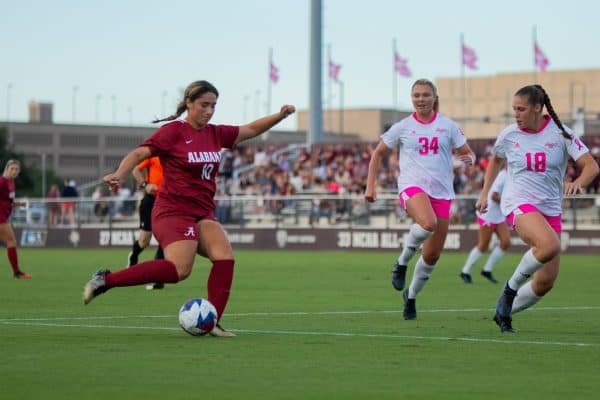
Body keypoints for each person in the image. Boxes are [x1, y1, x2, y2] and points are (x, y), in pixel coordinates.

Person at [82, 80, 295, 337]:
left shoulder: (215, 133)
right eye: (204, 105)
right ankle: (106, 280)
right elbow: (139, 154)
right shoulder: (173, 132)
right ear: (189, 103)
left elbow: (250, 129)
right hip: (172, 210)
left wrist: (280, 116)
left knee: (224, 257)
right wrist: (119, 173)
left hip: (203, 212)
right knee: (179, 271)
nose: (209, 111)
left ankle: (212, 321)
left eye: (214, 106)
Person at [477, 84, 599, 333]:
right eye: (514, 109)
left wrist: (578, 183)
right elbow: (496, 160)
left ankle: (504, 312)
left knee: (544, 282)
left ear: (537, 108)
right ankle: (509, 291)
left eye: (521, 109)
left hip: (551, 209)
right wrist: (484, 193)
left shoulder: (561, 133)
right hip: (518, 203)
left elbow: (591, 167)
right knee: (550, 245)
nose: (516, 114)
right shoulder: (509, 135)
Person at [365, 79, 476, 320]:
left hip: (442, 193)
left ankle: (411, 296)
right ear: (411, 98)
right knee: (428, 223)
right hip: (412, 186)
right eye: (416, 95)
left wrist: (470, 159)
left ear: (434, 97)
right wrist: (370, 186)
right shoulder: (402, 127)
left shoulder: (448, 126)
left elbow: (468, 152)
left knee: (432, 255)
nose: (421, 99)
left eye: (426, 95)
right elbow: (378, 153)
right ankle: (402, 261)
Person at [459, 168, 509, 284]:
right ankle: (465, 271)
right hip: (488, 213)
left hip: (498, 215)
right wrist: (508, 201)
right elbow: (494, 196)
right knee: (483, 245)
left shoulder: (511, 175)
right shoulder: (503, 176)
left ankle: (487, 270)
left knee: (505, 242)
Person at [128, 156, 165, 290]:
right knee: (144, 241)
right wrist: (145, 185)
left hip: (168, 201)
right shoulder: (154, 155)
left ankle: (158, 279)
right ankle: (133, 256)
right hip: (150, 201)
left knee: (165, 239)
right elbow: (136, 170)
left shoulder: (177, 156)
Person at [0, 160, 32, 279]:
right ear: (7, 168)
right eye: (12, 168)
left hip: (3, 217)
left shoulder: (11, 183)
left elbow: (9, 201)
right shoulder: (2, 182)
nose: (14, 171)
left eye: (16, 169)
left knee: (11, 241)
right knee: (11, 241)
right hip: (0, 218)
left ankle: (16, 272)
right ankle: (17, 272)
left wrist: (19, 204)